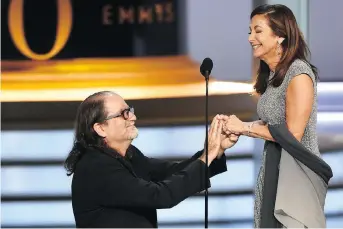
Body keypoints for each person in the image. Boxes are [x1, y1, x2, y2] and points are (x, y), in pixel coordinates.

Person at [221, 4, 333, 228]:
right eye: (249, 31)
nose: (251, 37)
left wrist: (244, 127)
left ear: (280, 36)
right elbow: (271, 123)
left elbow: (293, 134)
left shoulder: (298, 73)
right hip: (273, 168)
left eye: (258, 30)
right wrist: (236, 126)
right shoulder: (272, 75)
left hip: (297, 175)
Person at [64, 91, 239, 228]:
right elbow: (159, 195)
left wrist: (216, 150)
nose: (133, 117)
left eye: (130, 111)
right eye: (124, 113)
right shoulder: (96, 167)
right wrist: (207, 156)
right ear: (101, 128)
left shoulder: (130, 154)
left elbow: (173, 172)